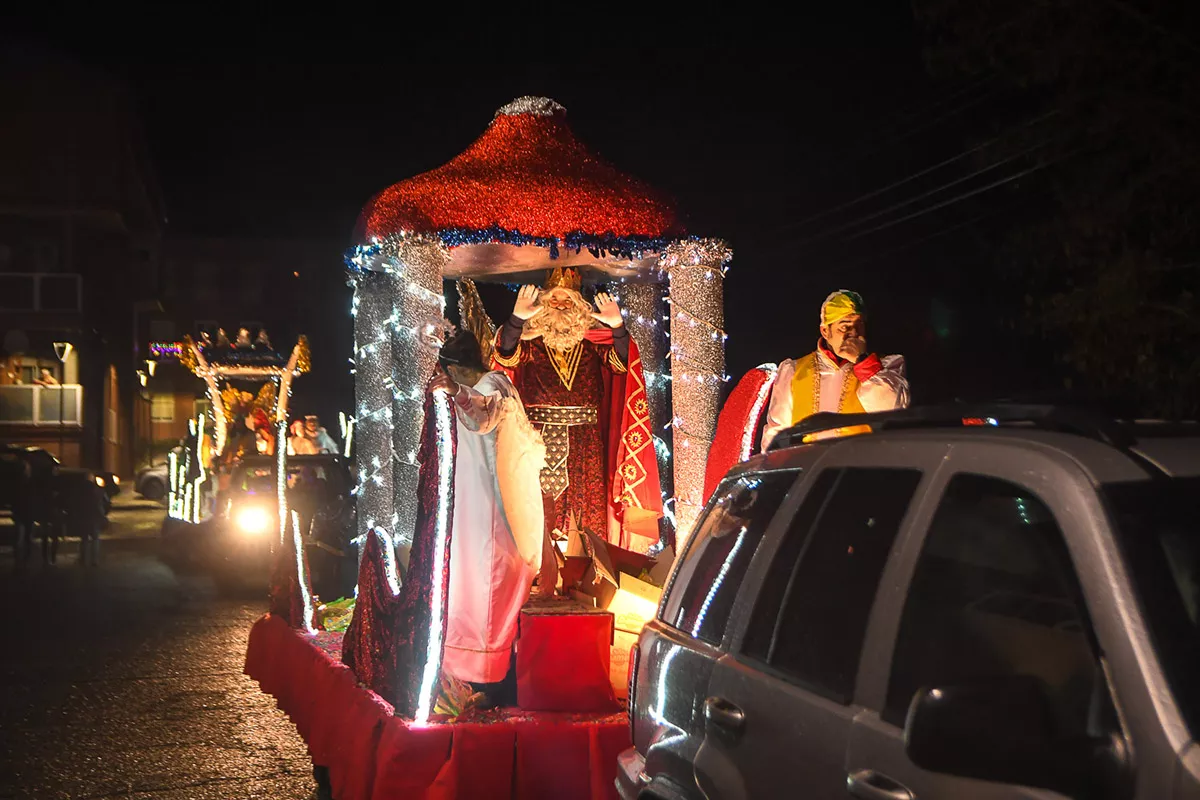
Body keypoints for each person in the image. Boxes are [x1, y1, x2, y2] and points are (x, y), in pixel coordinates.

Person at [493, 267, 662, 553]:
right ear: (543, 307)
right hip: (538, 437)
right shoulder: (531, 345)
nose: (560, 307)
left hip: (586, 439)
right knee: (538, 503)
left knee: (586, 508)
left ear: (579, 307)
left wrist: (617, 329)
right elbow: (506, 356)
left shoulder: (590, 346)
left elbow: (622, 364)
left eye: (567, 302)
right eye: (554, 301)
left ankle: (586, 569)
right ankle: (538, 568)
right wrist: (516, 320)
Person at [429, 329, 546, 702]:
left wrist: (455, 391)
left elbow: (483, 414)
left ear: (455, 368)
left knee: (488, 586)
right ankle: (467, 675)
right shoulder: (482, 384)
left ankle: (488, 679)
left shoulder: (494, 383)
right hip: (475, 503)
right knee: (470, 584)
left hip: (494, 508)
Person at [762, 289, 910, 451]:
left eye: (858, 325)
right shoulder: (794, 371)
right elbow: (776, 431)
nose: (853, 333)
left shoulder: (885, 366)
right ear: (825, 331)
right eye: (844, 326)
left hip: (860, 467)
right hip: (810, 468)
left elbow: (893, 413)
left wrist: (862, 362)